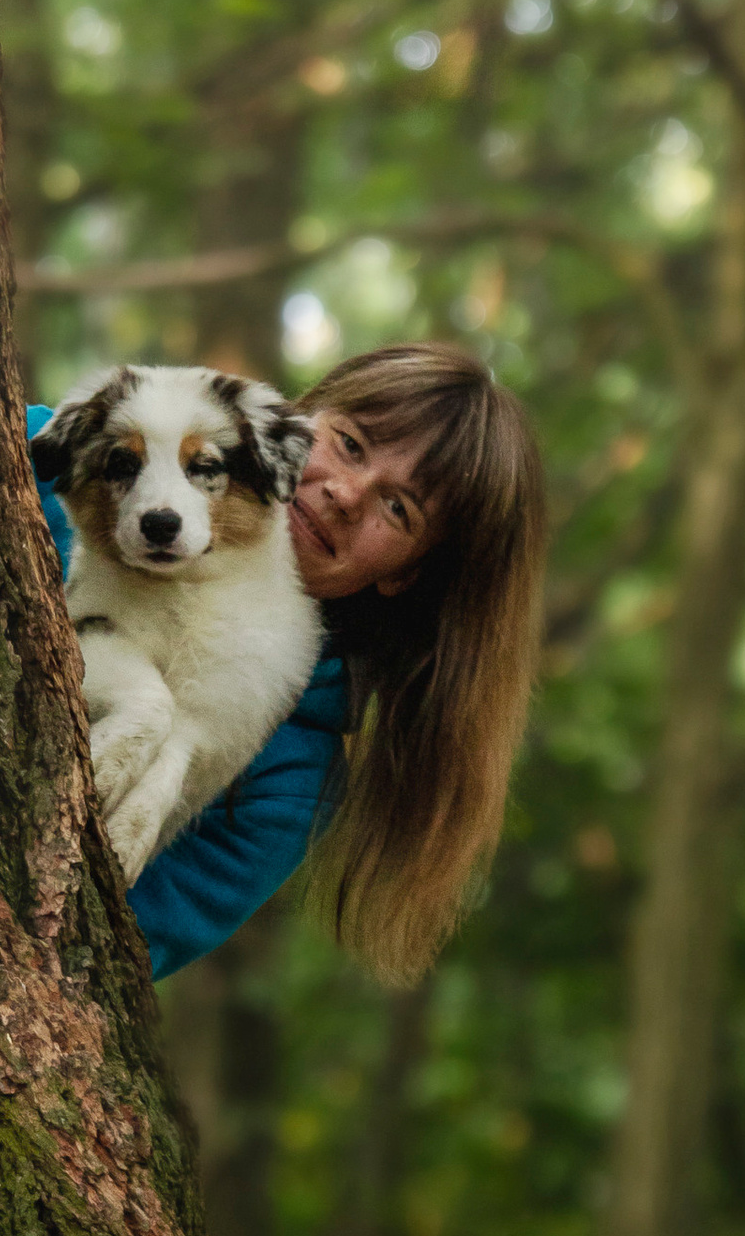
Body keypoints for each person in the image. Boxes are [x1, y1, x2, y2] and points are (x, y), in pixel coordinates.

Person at [30, 342, 546, 985]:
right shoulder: (56, 471)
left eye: (398, 508)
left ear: (407, 573)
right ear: (302, 424)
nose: (346, 493)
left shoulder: (293, 781)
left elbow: (100, 961)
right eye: (351, 444)